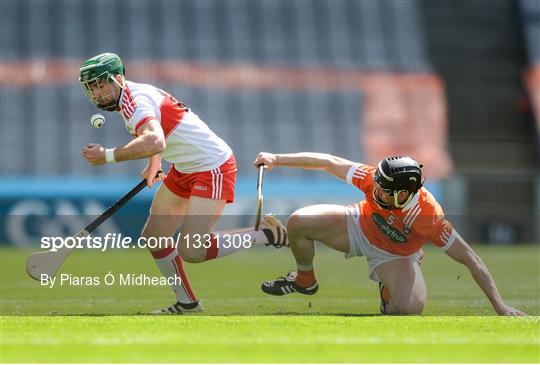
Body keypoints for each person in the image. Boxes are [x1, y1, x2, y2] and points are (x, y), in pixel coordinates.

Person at [79, 53, 288, 314]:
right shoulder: (129, 99)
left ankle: (267, 234)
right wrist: (155, 164)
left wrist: (107, 156)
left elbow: (156, 141)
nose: (97, 93)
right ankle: (188, 304)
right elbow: (158, 136)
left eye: (101, 84)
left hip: (213, 167)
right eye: (92, 87)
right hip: (185, 168)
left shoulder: (136, 102)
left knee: (193, 250)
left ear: (119, 78)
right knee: (154, 237)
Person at [254, 152, 526, 316]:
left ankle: (388, 292)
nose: (376, 188)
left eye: (384, 189)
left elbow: (470, 258)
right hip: (358, 225)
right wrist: (277, 159)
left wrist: (500, 306)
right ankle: (304, 280)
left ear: (404, 193)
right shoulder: (374, 180)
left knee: (410, 310)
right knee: (299, 222)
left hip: (394, 254)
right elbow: (329, 162)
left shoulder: (427, 216)